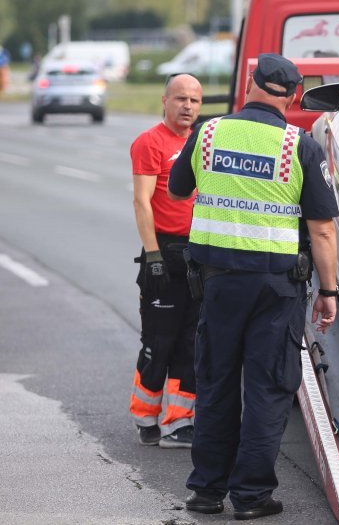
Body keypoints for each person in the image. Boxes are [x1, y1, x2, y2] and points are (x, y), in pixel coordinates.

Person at [168, 53, 339, 520]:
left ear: (250, 84)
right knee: (267, 389)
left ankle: (206, 492)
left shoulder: (207, 132)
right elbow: (322, 230)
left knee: (217, 383)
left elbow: (178, 190)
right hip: (275, 290)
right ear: (293, 96)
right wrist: (329, 292)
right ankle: (250, 497)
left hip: (217, 286)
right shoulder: (299, 146)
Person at [129, 73, 203, 449]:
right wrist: (154, 255)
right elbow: (142, 201)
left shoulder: (204, 141)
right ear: (165, 101)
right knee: (159, 341)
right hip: (164, 253)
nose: (187, 106)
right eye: (180, 99)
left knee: (191, 343)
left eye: (194, 100)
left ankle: (178, 422)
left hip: (199, 256)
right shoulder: (149, 143)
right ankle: (145, 415)